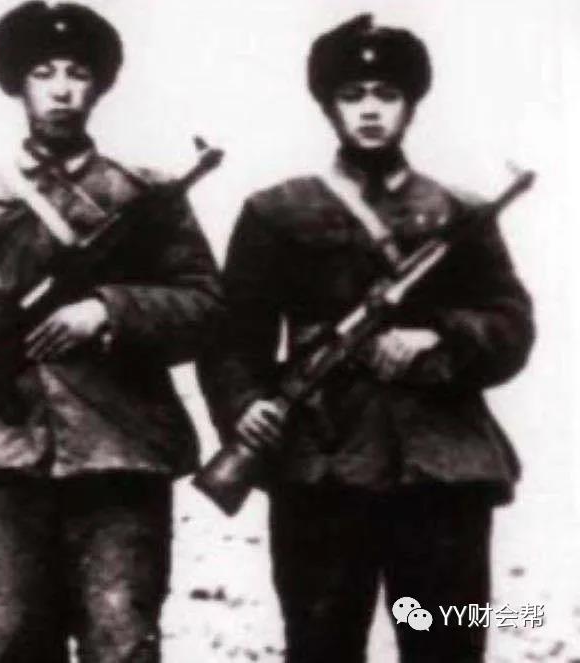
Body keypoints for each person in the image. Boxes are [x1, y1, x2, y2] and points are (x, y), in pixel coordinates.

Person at [197, 14, 534, 663]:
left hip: (441, 472)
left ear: (410, 106)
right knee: (321, 647)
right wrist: (245, 406)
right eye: (353, 96)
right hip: (322, 470)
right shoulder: (277, 211)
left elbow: (512, 325)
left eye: (387, 95)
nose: (371, 110)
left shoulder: (461, 214)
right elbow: (232, 337)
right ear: (330, 107)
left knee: (447, 643)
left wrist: (437, 336)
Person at [0, 3, 220, 661]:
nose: (62, 90)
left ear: (98, 87)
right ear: (19, 85)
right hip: (1, 448)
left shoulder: (145, 194)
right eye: (44, 73)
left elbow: (206, 305)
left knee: (122, 638)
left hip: (121, 448)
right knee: (15, 634)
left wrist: (109, 309)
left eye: (77, 74)